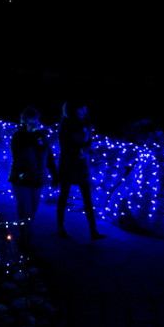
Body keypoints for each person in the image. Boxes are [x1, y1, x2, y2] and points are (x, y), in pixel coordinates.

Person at [8, 107, 56, 255]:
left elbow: (48, 155)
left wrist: (54, 173)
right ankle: (25, 245)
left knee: (32, 213)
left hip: (37, 180)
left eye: (36, 122)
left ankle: (25, 241)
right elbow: (17, 157)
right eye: (31, 123)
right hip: (20, 180)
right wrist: (33, 138)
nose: (35, 125)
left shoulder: (42, 136)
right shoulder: (18, 137)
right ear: (24, 122)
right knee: (25, 212)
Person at [56, 100, 106, 241]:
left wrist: (91, 150)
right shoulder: (64, 125)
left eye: (85, 109)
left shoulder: (86, 123)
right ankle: (60, 227)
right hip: (67, 165)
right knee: (64, 195)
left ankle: (93, 230)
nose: (85, 111)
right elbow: (65, 147)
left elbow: (88, 141)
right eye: (81, 109)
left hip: (82, 166)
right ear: (72, 111)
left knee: (87, 198)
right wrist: (82, 150)